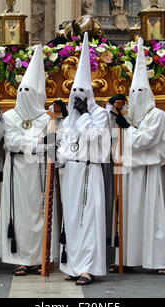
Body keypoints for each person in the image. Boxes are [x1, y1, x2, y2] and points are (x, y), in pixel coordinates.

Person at [0, 45, 52, 276]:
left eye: (29, 91)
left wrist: (35, 143)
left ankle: (39, 257)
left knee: (39, 213)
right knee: (19, 214)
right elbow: (11, 142)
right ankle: (20, 259)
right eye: (21, 90)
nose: (24, 94)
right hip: (16, 170)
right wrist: (36, 143)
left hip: (40, 173)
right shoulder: (10, 115)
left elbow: (52, 145)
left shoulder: (47, 117)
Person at [110, 37, 165, 274]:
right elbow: (116, 143)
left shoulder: (155, 114)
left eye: (140, 91)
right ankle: (126, 258)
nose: (136, 95)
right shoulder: (126, 115)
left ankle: (157, 261)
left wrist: (125, 128)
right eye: (132, 91)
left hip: (148, 171)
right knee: (128, 217)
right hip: (128, 170)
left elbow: (145, 141)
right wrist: (117, 124)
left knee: (151, 217)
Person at [57, 33, 110, 285]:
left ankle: (89, 267)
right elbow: (64, 147)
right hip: (72, 173)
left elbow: (95, 138)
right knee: (72, 219)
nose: (78, 95)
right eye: (74, 91)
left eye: (83, 91)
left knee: (88, 219)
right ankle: (73, 264)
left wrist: (86, 114)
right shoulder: (68, 119)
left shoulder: (99, 114)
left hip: (90, 170)